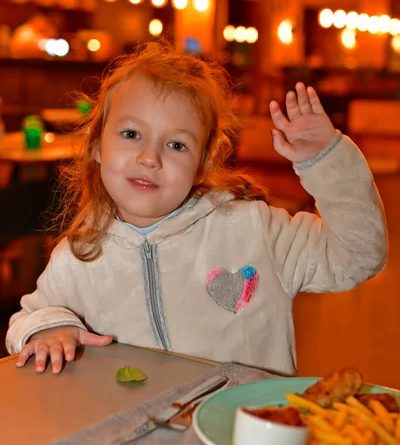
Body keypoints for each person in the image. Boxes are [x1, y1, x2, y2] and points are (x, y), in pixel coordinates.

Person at [6, 42, 387, 376]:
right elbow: (30, 317)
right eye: (131, 134)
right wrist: (49, 329)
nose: (149, 157)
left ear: (204, 163)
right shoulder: (80, 252)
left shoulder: (254, 230)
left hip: (240, 434)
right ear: (96, 146)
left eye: (176, 145)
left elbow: (357, 256)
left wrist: (328, 161)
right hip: (131, 439)